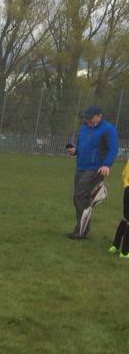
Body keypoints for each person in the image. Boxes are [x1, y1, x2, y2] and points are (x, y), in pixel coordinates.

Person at [66, 105, 118, 240]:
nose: (88, 120)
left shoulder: (108, 129)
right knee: (79, 198)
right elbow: (81, 147)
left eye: (90, 117)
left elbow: (113, 149)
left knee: (80, 195)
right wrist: (74, 151)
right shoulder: (83, 129)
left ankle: (82, 231)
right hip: (81, 167)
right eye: (86, 117)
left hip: (95, 168)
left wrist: (107, 164)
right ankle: (81, 228)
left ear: (99, 116)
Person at [109, 159, 129, 260]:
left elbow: (124, 173)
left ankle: (115, 246)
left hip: (127, 189)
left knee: (126, 218)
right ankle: (125, 252)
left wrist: (126, 184)